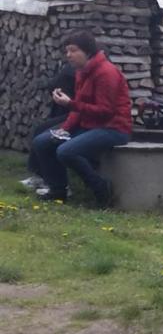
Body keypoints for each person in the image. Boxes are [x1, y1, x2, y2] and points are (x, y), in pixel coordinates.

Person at [29, 30, 132, 207]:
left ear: (88, 51)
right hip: (89, 125)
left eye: (73, 50)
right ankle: (58, 191)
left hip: (113, 128)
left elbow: (106, 111)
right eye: (67, 51)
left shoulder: (106, 73)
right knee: (42, 141)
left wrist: (70, 104)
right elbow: (79, 107)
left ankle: (101, 188)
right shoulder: (81, 71)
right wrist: (65, 129)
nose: (68, 55)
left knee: (66, 151)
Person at [19, 61, 77, 192]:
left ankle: (58, 184)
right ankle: (40, 176)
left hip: (82, 116)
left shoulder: (89, 71)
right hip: (73, 112)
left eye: (72, 51)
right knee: (42, 130)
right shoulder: (73, 68)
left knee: (47, 137)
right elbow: (54, 84)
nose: (69, 55)